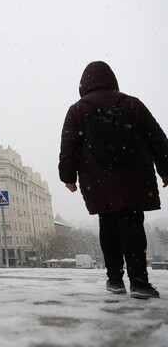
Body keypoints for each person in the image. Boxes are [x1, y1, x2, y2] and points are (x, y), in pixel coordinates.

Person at [59, 61, 168, 299]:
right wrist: (165, 168)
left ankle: (115, 279)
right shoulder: (132, 103)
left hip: (97, 179)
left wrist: (68, 177)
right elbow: (156, 137)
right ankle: (139, 281)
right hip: (133, 175)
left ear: (84, 83)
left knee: (107, 225)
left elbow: (69, 146)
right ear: (111, 79)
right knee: (132, 225)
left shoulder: (78, 109)